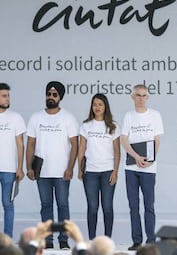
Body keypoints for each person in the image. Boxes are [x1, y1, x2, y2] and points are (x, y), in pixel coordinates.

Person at [26, 81, 79, 250]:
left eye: (54, 94)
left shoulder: (68, 118)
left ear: (60, 97)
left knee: (63, 205)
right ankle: (48, 240)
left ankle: (63, 239)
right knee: (45, 206)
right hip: (42, 172)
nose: (51, 96)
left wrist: (70, 168)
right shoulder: (36, 117)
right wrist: (28, 167)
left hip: (62, 171)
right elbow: (31, 144)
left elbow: (75, 145)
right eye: (49, 93)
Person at [121, 85, 164, 250]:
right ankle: (137, 240)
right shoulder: (128, 116)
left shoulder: (155, 115)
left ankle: (151, 240)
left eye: (144, 95)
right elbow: (124, 139)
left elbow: (156, 140)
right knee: (133, 205)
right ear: (132, 97)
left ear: (147, 97)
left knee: (149, 205)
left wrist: (152, 159)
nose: (141, 98)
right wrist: (136, 156)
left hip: (149, 168)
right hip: (131, 167)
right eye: (138, 95)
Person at [78, 93, 120, 239]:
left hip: (108, 171)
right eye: (95, 104)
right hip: (90, 172)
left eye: (100, 104)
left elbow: (117, 151)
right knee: (92, 207)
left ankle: (107, 239)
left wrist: (115, 172)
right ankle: (91, 239)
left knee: (107, 207)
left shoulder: (113, 126)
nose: (97, 107)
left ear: (105, 106)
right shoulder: (85, 125)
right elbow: (81, 148)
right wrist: (79, 169)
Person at [0, 83, 26, 238]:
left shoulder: (16, 118)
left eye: (8, 95)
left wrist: (20, 167)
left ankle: (7, 239)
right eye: (4, 95)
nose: (7, 98)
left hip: (9, 169)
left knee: (8, 205)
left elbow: (20, 144)